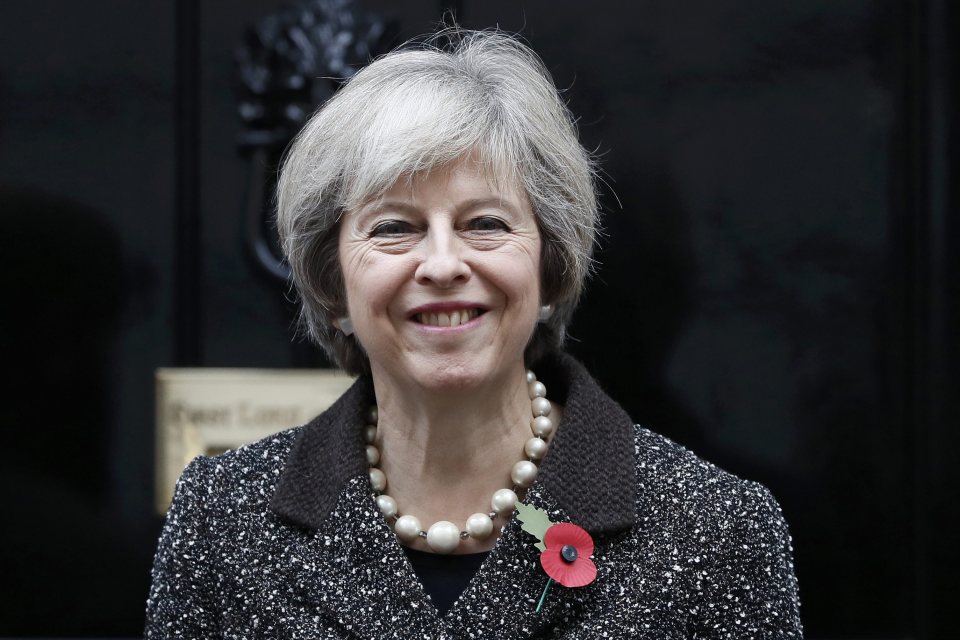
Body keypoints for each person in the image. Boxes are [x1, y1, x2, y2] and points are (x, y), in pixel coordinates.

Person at [145, 29, 802, 638]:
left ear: (548, 266)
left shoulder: (718, 531)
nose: (442, 264)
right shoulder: (221, 521)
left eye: (485, 222)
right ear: (332, 285)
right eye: (393, 228)